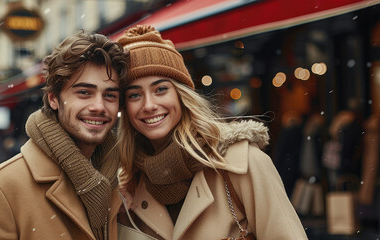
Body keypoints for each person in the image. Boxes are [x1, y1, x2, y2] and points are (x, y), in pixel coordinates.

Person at [116, 25, 307, 240]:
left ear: (182, 96)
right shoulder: (128, 189)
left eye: (161, 89)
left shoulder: (242, 164)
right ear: (124, 108)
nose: (149, 105)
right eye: (134, 95)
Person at [0, 31, 128, 240]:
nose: (99, 106)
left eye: (110, 95)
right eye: (84, 92)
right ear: (53, 99)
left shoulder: (120, 182)